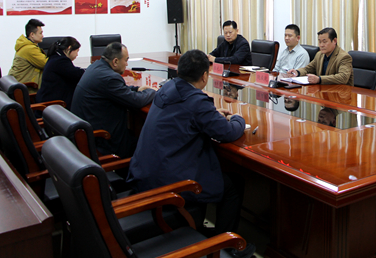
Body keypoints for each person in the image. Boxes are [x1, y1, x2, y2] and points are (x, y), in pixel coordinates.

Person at [127, 49, 255, 258]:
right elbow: (227, 133)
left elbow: (187, 115)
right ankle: (226, 245)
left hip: (146, 172)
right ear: (205, 76)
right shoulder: (196, 101)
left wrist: (211, 115)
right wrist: (237, 119)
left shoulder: (167, 88)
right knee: (233, 184)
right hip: (171, 180)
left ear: (179, 71)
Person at [71, 42, 155, 158]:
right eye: (126, 60)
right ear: (115, 61)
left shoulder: (95, 67)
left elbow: (114, 90)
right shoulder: (110, 78)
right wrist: (152, 91)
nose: (126, 64)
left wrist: (137, 89)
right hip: (104, 142)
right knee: (150, 145)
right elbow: (137, 102)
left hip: (90, 134)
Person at [287, 27, 354, 86]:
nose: (321, 45)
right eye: (319, 42)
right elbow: (308, 69)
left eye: (324, 42)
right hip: (324, 91)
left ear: (334, 41)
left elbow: (343, 78)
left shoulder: (344, 57)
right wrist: (297, 72)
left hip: (341, 93)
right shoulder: (319, 55)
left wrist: (319, 79)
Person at [36, 37, 84, 108]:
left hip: (48, 100)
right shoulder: (60, 61)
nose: (77, 54)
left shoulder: (55, 57)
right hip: (53, 105)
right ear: (69, 48)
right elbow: (76, 74)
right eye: (77, 51)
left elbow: (72, 71)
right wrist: (88, 71)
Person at [8, 19, 48, 90]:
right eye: (40, 33)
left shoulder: (26, 45)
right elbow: (47, 64)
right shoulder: (30, 49)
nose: (42, 36)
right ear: (32, 34)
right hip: (26, 89)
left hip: (20, 85)